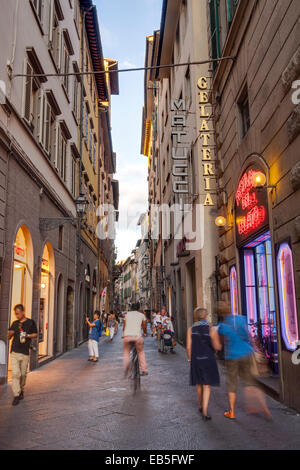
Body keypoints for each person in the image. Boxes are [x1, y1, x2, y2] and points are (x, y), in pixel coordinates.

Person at [217, 301, 271, 420]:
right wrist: (256, 348)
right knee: (251, 381)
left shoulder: (222, 326)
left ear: (220, 313)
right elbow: (250, 337)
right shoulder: (241, 319)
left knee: (232, 384)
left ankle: (231, 412)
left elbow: (221, 344)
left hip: (232, 357)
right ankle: (266, 409)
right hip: (246, 353)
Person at [186, 307, 221, 421]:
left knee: (199, 383)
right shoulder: (211, 330)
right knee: (206, 386)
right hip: (208, 359)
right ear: (205, 316)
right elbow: (217, 347)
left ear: (196, 317)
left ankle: (200, 405)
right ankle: (205, 411)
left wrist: (190, 359)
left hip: (196, 359)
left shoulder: (190, 329)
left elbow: (188, 347)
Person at [8, 304, 38, 406]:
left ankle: (21, 389)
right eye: (15, 314)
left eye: (18, 313)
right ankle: (16, 395)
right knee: (16, 374)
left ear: (23, 312)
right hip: (14, 352)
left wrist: (27, 335)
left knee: (23, 374)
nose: (16, 316)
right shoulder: (14, 323)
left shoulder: (30, 322)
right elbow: (9, 335)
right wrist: (9, 333)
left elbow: (36, 334)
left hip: (25, 352)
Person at [123, 302, 148, 376]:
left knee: (126, 352)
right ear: (138, 308)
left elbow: (124, 326)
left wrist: (123, 335)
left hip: (127, 336)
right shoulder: (142, 315)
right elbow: (144, 326)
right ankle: (144, 370)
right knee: (140, 352)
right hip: (137, 337)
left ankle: (126, 368)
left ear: (131, 308)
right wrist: (145, 333)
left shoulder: (127, 315)